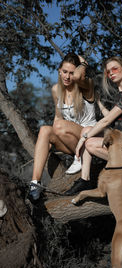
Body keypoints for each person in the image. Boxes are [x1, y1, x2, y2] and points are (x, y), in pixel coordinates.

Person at [64, 56, 122, 196]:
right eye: (108, 72)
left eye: (115, 69)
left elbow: (107, 120)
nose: (111, 73)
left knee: (89, 142)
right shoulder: (119, 95)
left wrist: (82, 140)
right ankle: (84, 179)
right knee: (87, 129)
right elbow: (113, 118)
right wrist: (99, 102)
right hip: (121, 144)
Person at [28, 52, 96, 202]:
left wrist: (83, 63)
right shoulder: (56, 90)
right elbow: (58, 116)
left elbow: (79, 77)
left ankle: (81, 159)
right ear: (59, 70)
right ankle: (35, 184)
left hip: (89, 141)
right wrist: (51, 139)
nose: (67, 76)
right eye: (64, 72)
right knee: (45, 130)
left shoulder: (86, 86)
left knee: (57, 126)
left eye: (71, 73)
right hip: (71, 140)